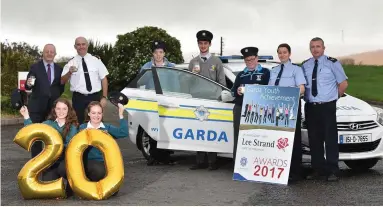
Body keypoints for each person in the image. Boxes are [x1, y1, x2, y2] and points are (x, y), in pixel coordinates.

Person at [57, 101, 128, 196]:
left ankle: (95, 186)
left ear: (102, 114)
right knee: (62, 167)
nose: (96, 116)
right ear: (89, 114)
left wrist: (121, 114)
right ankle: (73, 184)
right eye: (93, 113)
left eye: (99, 113)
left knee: (97, 171)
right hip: (81, 162)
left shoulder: (107, 128)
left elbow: (124, 132)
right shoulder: (82, 128)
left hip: (99, 164)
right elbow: (70, 142)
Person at [302, 37, 348, 182]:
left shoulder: (333, 63)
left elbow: (343, 83)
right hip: (311, 106)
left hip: (327, 106)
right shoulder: (305, 65)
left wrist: (334, 97)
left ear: (323, 48)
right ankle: (318, 169)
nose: (315, 49)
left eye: (318, 46)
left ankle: (333, 170)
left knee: (330, 139)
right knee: (314, 139)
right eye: (312, 47)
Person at [188, 30, 226, 171]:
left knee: (211, 131)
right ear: (198, 44)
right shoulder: (193, 62)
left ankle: (212, 161)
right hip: (197, 101)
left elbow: (222, 82)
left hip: (212, 101)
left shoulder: (216, 61)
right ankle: (199, 161)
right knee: (199, 130)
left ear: (209, 44)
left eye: (205, 43)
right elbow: (189, 82)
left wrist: (222, 98)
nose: (203, 46)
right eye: (200, 43)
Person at [268, 43, 306, 182]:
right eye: (279, 52)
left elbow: (301, 88)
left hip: (290, 108)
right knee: (277, 138)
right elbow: (269, 89)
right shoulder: (274, 70)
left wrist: (288, 93)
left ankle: (295, 171)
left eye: (284, 52)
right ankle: (279, 170)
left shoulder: (296, 70)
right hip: (275, 109)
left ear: (289, 54)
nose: (282, 55)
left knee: (293, 139)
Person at [19, 98, 79, 182]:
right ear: (54, 109)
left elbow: (70, 145)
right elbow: (33, 131)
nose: (61, 111)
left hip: (65, 160)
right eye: (58, 108)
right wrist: (26, 116)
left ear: (68, 110)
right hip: (50, 161)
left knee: (63, 169)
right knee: (48, 187)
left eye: (64, 109)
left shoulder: (73, 126)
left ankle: (70, 186)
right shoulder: (48, 124)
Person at [231, 46, 270, 164]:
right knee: (239, 137)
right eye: (247, 60)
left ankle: (256, 164)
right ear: (244, 61)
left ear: (257, 58)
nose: (250, 62)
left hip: (259, 110)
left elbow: (272, 91)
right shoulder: (241, 75)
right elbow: (232, 91)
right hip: (240, 108)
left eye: (252, 59)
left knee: (257, 137)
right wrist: (237, 91)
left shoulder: (266, 73)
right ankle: (238, 164)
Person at [24, 44, 65, 158]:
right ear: (43, 53)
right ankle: (36, 162)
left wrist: (54, 95)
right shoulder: (35, 67)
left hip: (52, 108)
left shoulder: (59, 69)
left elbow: (61, 87)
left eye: (52, 51)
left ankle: (51, 160)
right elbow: (29, 84)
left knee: (53, 135)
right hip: (37, 108)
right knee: (36, 136)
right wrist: (29, 85)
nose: (49, 53)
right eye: (47, 51)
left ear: (55, 54)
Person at [61, 36, 109, 124]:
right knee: (78, 123)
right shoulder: (70, 62)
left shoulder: (96, 60)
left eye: (83, 44)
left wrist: (104, 97)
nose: (81, 46)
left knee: (96, 123)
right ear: (75, 47)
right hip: (78, 98)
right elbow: (62, 81)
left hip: (94, 97)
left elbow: (104, 79)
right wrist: (69, 72)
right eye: (78, 45)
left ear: (87, 45)